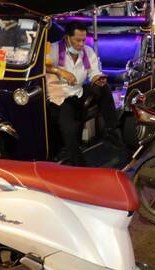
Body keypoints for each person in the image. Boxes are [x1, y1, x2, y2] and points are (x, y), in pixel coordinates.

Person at [46, 21, 122, 166]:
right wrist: (59, 71)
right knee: (69, 129)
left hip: (80, 92)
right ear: (67, 37)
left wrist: (97, 79)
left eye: (83, 40)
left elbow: (94, 72)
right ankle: (78, 164)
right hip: (62, 97)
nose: (81, 44)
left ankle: (112, 129)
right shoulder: (54, 49)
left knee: (104, 88)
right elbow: (43, 65)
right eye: (77, 40)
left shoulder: (88, 51)